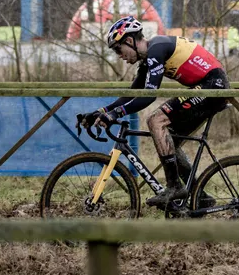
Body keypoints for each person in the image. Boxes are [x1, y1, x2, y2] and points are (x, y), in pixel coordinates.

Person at [77, 15, 230, 207]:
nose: (120, 56)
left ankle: (174, 186)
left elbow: (149, 96)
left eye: (119, 49)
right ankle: (200, 195)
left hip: (213, 85)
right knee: (170, 141)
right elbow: (132, 94)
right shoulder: (149, 58)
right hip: (207, 86)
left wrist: (115, 115)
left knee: (156, 120)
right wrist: (101, 111)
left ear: (130, 41)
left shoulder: (157, 48)